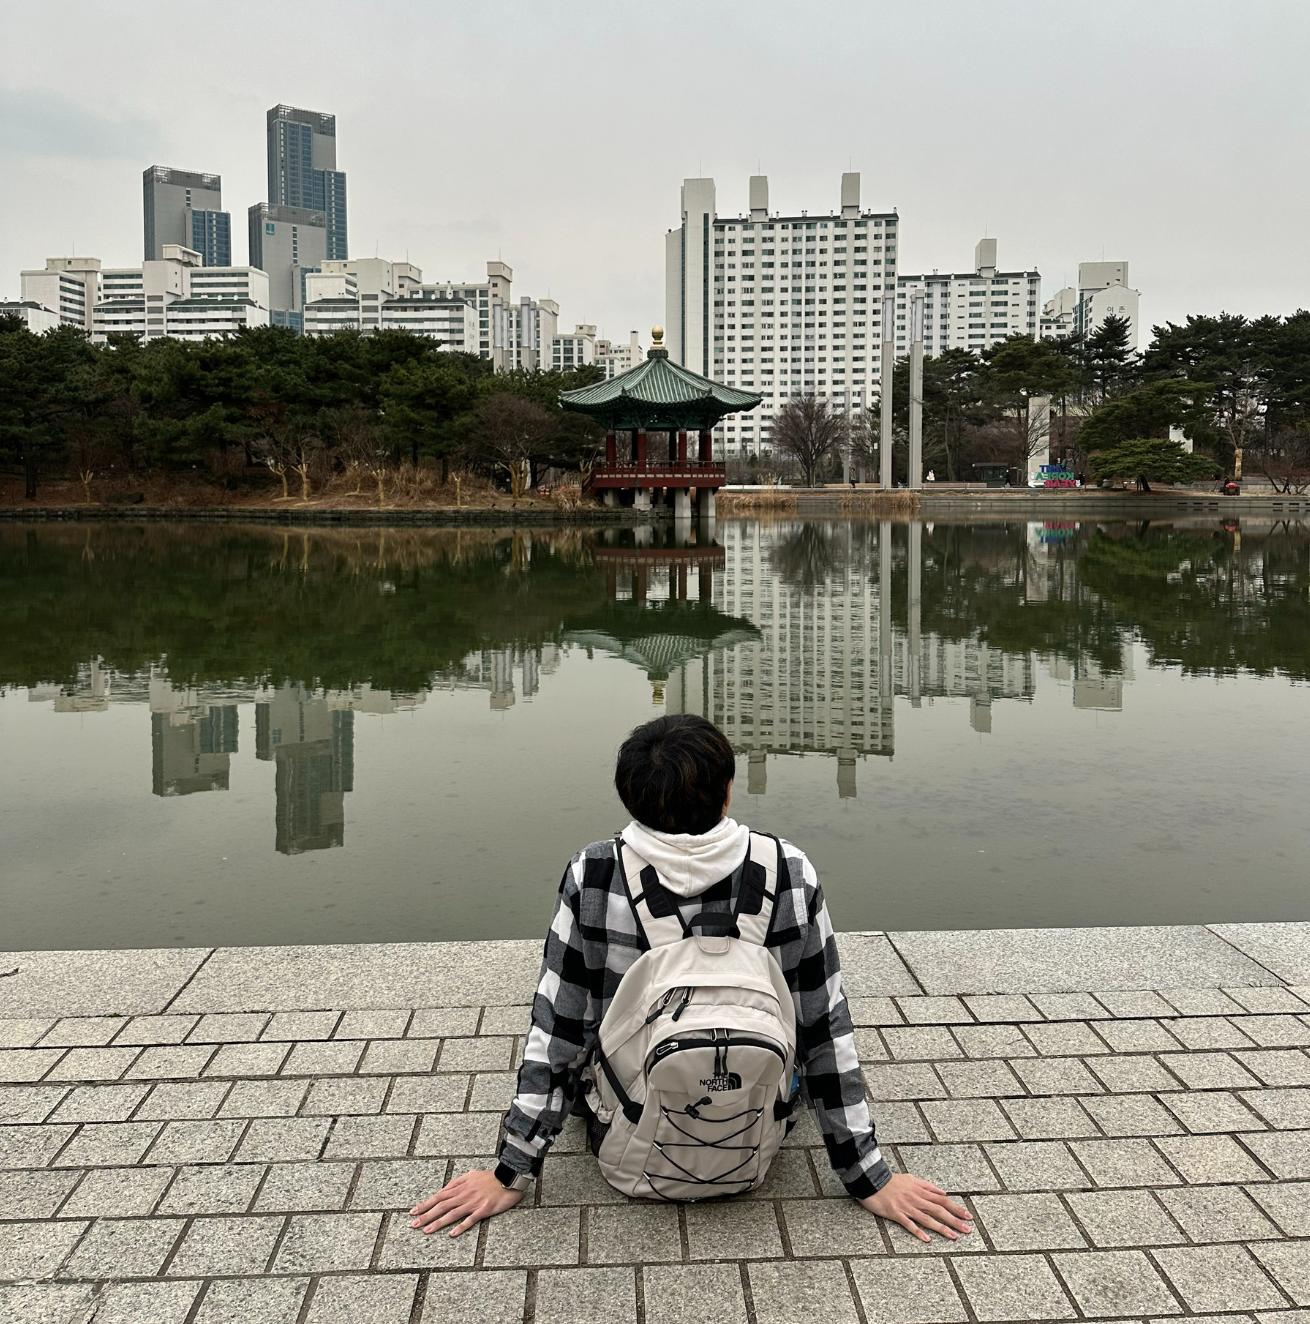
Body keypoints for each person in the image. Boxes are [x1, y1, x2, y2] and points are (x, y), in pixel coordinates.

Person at [410, 714, 972, 1244]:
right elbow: (823, 1027)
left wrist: (512, 1171)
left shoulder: (597, 872)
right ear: (728, 791)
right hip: (756, 1134)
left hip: (624, 1134)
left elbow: (560, 1028)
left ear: (629, 797)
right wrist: (866, 1174)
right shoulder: (788, 870)